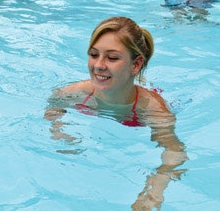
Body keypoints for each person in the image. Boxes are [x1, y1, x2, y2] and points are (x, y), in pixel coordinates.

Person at [44, 16, 187, 210]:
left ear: (135, 65)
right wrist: (59, 131)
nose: (99, 65)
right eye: (94, 55)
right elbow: (53, 105)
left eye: (112, 58)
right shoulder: (76, 93)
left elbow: (174, 151)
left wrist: (155, 188)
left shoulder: (152, 109)